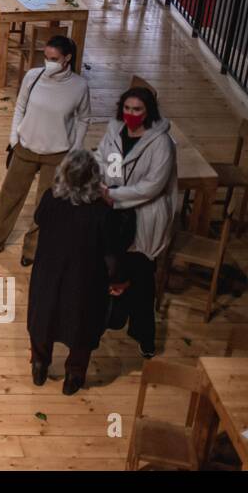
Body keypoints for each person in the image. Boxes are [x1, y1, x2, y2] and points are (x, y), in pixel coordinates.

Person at [0, 36, 90, 266]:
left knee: (46, 205)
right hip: (25, 146)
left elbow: (84, 119)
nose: (48, 63)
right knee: (9, 195)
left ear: (67, 58)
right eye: (46, 57)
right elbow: (20, 106)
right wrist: (14, 138)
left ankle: (34, 251)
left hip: (57, 154)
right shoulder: (33, 76)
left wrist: (74, 150)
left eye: (54, 59)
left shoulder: (79, 86)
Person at [28, 149, 117, 394]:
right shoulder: (102, 212)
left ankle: (39, 364)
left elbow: (38, 218)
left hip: (49, 275)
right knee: (82, 328)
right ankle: (74, 376)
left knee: (42, 322)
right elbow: (111, 252)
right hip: (84, 282)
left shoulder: (50, 199)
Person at [97, 86, 178, 358]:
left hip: (144, 218)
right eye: (128, 108)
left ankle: (145, 337)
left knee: (141, 280)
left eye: (137, 110)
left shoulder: (161, 144)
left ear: (148, 111)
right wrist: (99, 181)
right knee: (112, 270)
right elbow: (102, 159)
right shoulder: (115, 131)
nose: (131, 114)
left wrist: (114, 196)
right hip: (114, 214)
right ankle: (112, 318)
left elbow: (152, 186)